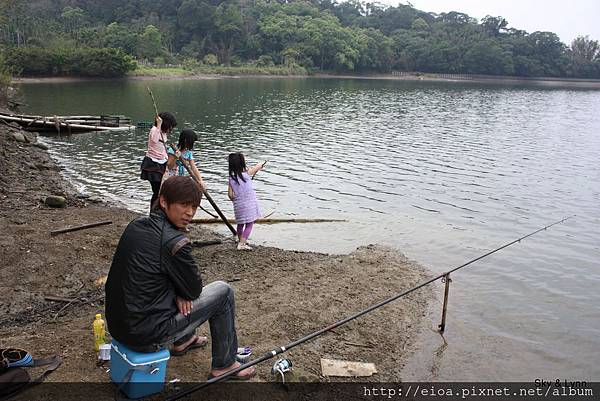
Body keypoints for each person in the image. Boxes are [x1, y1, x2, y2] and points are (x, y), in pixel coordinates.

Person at [105, 176, 256, 380]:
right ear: (164, 201)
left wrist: (179, 291)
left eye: (194, 206)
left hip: (118, 327)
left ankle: (184, 340)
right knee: (224, 292)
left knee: (171, 285)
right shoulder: (175, 243)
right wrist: (181, 291)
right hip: (146, 336)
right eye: (184, 205)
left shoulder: (136, 225)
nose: (190, 213)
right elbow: (193, 290)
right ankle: (225, 364)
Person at [227, 152, 266, 251]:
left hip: (238, 206)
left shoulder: (231, 178)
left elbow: (230, 195)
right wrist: (261, 164)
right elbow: (257, 167)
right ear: (242, 164)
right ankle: (242, 243)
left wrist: (236, 199)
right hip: (249, 205)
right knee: (249, 224)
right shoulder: (247, 174)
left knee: (240, 224)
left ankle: (240, 239)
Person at [140, 112, 177, 209]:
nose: (171, 129)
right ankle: (154, 212)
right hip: (152, 164)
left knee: (161, 190)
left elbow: (162, 150)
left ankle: (157, 211)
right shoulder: (154, 130)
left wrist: (167, 160)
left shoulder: (163, 133)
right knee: (157, 191)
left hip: (161, 164)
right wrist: (159, 125)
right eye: (170, 126)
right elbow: (154, 141)